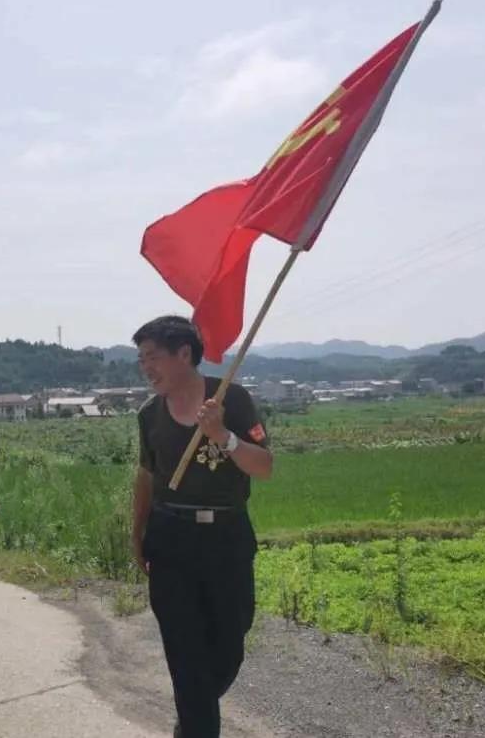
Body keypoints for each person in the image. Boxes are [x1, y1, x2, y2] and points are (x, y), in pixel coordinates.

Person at [131, 316, 273, 738]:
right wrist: (136, 533)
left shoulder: (232, 399)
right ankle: (195, 722)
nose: (146, 368)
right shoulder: (149, 414)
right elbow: (145, 477)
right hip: (170, 539)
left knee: (229, 647)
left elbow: (264, 467)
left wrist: (222, 435)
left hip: (226, 540)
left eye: (153, 357)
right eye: (141, 361)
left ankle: (193, 713)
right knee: (185, 655)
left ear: (185, 354)